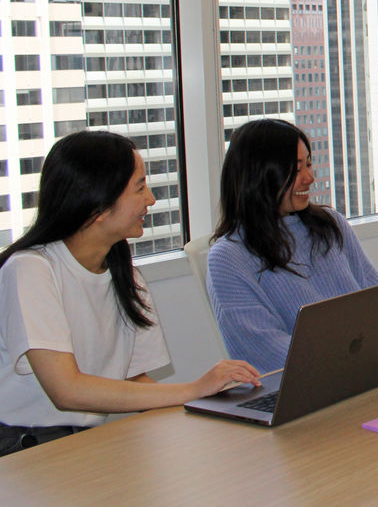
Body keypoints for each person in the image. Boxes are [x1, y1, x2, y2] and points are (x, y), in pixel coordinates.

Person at [0, 131, 260, 457]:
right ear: (97, 201)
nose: (150, 199)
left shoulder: (127, 276)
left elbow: (136, 383)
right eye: (139, 187)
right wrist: (193, 389)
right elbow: (66, 390)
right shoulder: (30, 269)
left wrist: (210, 412)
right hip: (22, 450)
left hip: (87, 443)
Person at [208, 119, 378, 371]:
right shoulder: (228, 258)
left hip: (367, 369)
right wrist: (352, 360)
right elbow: (264, 351)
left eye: (309, 164)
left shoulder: (332, 224)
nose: (309, 178)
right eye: (296, 168)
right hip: (314, 385)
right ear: (260, 175)